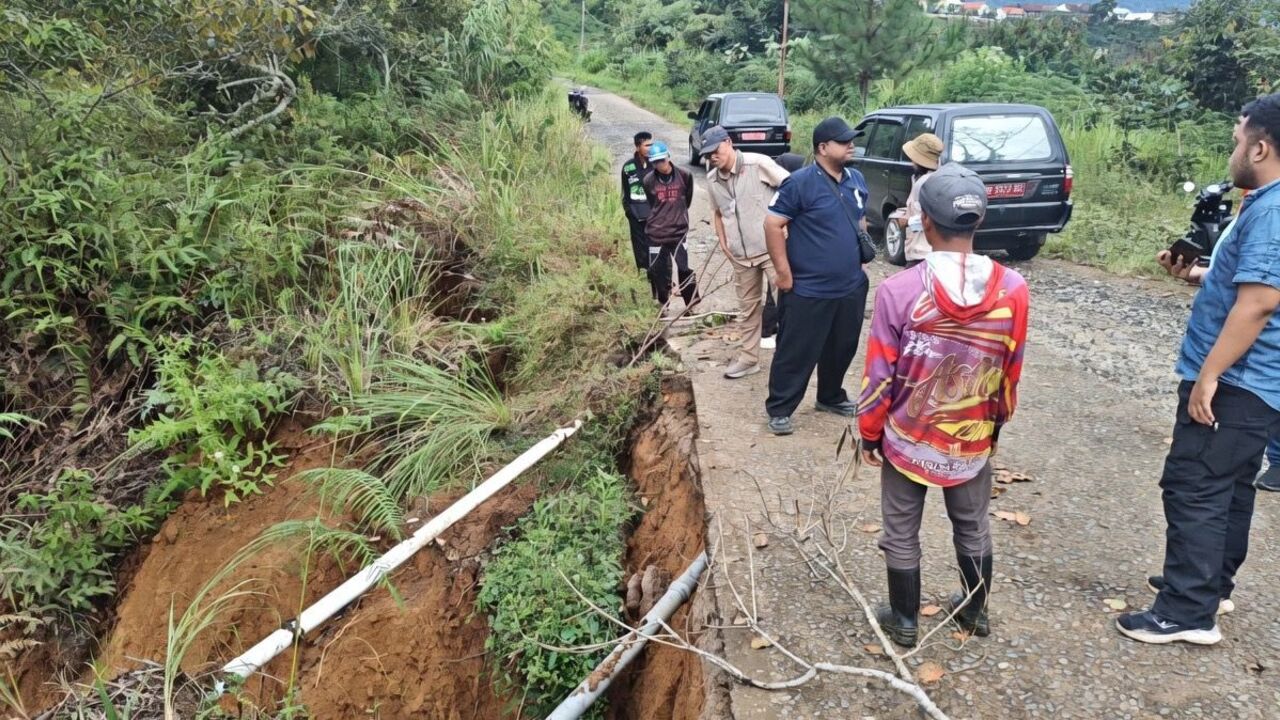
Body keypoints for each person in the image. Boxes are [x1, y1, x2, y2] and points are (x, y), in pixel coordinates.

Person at [1117, 93, 1280, 646]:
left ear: (1260, 146)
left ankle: (1186, 610)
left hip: (1238, 380)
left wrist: (1209, 374)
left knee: (1195, 485)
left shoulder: (1274, 209)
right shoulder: (1265, 203)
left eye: (1238, 140)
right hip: (1253, 381)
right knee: (1230, 487)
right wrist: (1199, 275)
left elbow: (1258, 302)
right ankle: (1210, 584)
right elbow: (1245, 285)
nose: (1234, 149)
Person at [856, 163, 1029, 647]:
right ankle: (975, 612)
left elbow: (878, 376)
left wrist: (870, 432)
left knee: (901, 527)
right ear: (978, 222)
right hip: (971, 437)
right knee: (972, 525)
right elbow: (1010, 373)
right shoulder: (1013, 290)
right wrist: (993, 429)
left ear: (924, 223)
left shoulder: (899, 291)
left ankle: (904, 620)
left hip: (909, 438)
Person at [762, 117, 871, 435]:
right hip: (808, 288)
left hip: (850, 286)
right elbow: (772, 225)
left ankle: (830, 396)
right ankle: (780, 408)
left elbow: (860, 219)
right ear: (822, 148)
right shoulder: (800, 183)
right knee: (796, 350)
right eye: (843, 140)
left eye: (852, 139)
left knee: (842, 346)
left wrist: (860, 258)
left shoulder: (856, 179)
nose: (851, 144)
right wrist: (783, 273)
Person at [703, 126, 790, 379]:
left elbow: (791, 189)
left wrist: (787, 229)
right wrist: (723, 241)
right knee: (748, 309)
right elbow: (718, 213)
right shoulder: (711, 179)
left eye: (715, 151)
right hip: (741, 256)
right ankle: (749, 359)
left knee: (787, 305)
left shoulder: (758, 164)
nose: (712, 157)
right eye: (708, 155)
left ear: (728, 142)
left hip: (771, 251)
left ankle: (787, 361)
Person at [641, 140, 699, 309]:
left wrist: (676, 216)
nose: (660, 164)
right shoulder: (648, 180)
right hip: (656, 233)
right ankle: (662, 303)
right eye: (656, 162)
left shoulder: (685, 175)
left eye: (662, 160)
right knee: (657, 271)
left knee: (684, 269)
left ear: (668, 157)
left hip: (678, 232)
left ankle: (692, 304)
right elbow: (653, 204)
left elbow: (686, 200)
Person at [899, 133, 944, 267]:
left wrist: (907, 221)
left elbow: (932, 217)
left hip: (922, 252)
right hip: (928, 251)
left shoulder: (925, 183)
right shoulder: (928, 178)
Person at [621, 132, 654, 272]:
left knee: (657, 249)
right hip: (636, 216)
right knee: (640, 249)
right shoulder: (628, 167)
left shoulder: (657, 164)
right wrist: (629, 211)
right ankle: (643, 275)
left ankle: (663, 281)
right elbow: (625, 192)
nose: (650, 147)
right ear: (637, 147)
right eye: (647, 145)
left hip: (654, 215)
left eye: (652, 144)